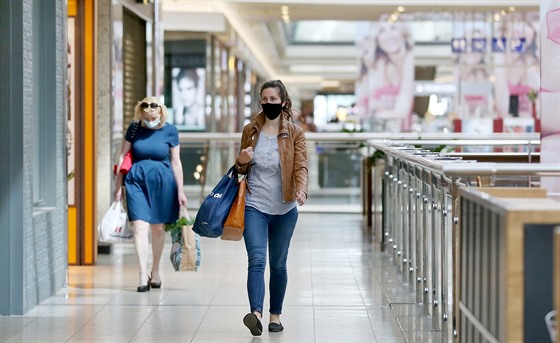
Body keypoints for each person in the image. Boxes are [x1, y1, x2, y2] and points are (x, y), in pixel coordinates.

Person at [234, 80, 308, 336]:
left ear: (283, 103)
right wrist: (241, 161)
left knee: (278, 264)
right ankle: (255, 314)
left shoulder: (295, 133)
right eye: (264, 100)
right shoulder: (250, 130)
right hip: (254, 205)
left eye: (273, 100)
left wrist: (301, 188)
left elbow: (300, 165)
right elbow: (240, 169)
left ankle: (275, 315)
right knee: (256, 260)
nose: (268, 104)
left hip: (285, 208)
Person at [114, 96, 188, 292]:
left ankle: (155, 271)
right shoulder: (135, 129)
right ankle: (141, 275)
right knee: (139, 227)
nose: (149, 108)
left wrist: (181, 191)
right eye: (145, 105)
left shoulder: (170, 131)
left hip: (163, 183)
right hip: (136, 181)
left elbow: (176, 162)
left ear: (161, 109)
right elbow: (123, 155)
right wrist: (117, 185)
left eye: (153, 105)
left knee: (158, 228)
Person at [365, 21, 415, 132]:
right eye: (382, 31)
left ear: (402, 33)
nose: (389, 35)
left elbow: (402, 112)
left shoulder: (408, 58)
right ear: (377, 38)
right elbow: (372, 109)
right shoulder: (378, 64)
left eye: (393, 28)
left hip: (401, 134)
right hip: (379, 134)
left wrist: (381, 113)